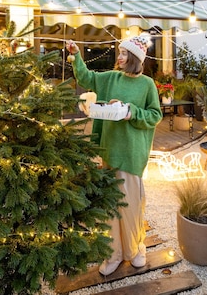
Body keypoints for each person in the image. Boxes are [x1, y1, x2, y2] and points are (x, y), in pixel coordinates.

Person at [66, 34, 163, 276]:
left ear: (135, 58)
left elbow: (154, 115)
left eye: (123, 54)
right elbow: (86, 77)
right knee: (110, 208)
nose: (119, 57)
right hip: (109, 151)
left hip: (131, 155)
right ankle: (113, 255)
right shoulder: (110, 78)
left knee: (130, 207)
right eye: (119, 53)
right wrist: (75, 55)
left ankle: (134, 251)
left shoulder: (147, 85)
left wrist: (131, 111)